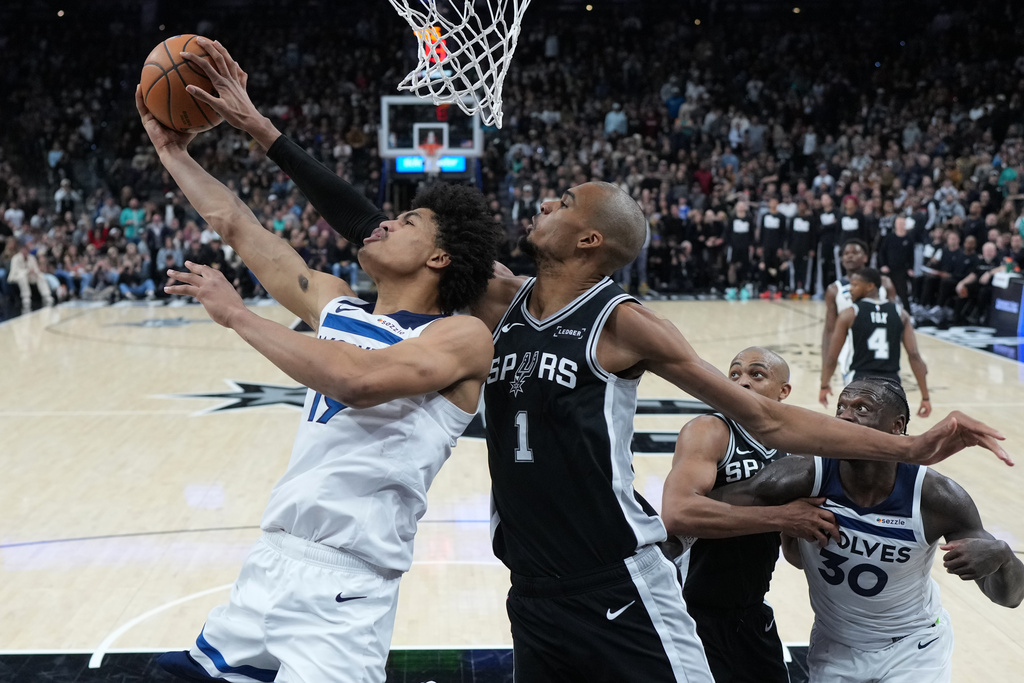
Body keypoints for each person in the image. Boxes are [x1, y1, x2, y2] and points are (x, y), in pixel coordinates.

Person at [182, 38, 1013, 683]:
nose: (543, 201)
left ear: (589, 238)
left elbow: (760, 413)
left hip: (616, 579)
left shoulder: (620, 321)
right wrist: (266, 137)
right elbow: (370, 223)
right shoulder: (501, 301)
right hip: (533, 590)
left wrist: (907, 447)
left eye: (562, 201)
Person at [136, 47, 501, 682]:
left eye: (406, 221)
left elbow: (357, 381)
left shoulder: (462, 337)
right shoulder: (333, 302)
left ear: (439, 260)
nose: (382, 222)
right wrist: (173, 152)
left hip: (346, 589)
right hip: (269, 561)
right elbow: (237, 225)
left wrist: (240, 316)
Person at [715, 378, 1024, 682]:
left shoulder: (937, 497)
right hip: (835, 646)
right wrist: (783, 520)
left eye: (862, 408)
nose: (846, 416)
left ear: (896, 426)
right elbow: (708, 510)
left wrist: (1002, 557)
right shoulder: (801, 476)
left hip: (913, 647)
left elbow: (1009, 597)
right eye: (841, 408)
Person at [661, 347, 840, 682]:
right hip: (690, 610)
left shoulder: (794, 448)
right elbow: (678, 514)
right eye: (734, 374)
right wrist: (782, 516)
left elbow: (793, 552)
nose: (741, 382)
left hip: (751, 611)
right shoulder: (708, 430)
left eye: (756, 375)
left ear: (783, 392)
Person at [820, 267, 930, 416]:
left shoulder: (850, 313)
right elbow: (915, 355)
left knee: (855, 434)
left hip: (859, 381)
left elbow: (832, 357)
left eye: (855, 285)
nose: (850, 289)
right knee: (888, 435)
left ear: (870, 286)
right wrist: (925, 397)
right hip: (892, 384)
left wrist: (824, 384)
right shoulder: (900, 313)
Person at [821, 238, 896, 386]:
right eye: (846, 253)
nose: (849, 256)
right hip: (852, 355)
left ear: (866, 257)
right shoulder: (834, 290)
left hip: (883, 355)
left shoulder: (885, 284)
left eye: (855, 252)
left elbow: (896, 321)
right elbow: (830, 330)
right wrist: (826, 365)